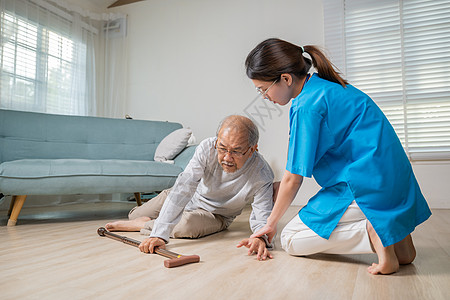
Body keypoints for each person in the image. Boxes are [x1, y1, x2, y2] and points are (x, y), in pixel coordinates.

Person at [243, 38, 432, 275]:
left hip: (365, 184)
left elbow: (293, 177)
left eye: (263, 89)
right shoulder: (327, 86)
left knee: (290, 238)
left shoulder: (307, 105)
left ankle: (371, 232)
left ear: (286, 79)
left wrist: (270, 224)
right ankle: (388, 237)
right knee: (406, 257)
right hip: (393, 179)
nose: (264, 97)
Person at [106, 115, 275, 260]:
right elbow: (184, 187)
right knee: (135, 214)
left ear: (253, 149)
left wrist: (260, 238)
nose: (227, 157)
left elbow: (262, 214)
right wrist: (159, 231)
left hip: (216, 214)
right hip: (189, 197)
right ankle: (143, 221)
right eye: (222, 148)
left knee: (186, 225)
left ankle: (142, 226)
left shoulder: (262, 173)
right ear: (217, 141)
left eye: (236, 151)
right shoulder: (207, 147)